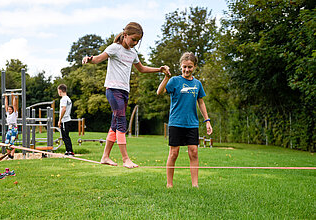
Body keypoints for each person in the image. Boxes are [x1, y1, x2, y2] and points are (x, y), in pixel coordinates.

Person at [82, 22, 170, 168]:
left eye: (138, 41)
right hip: (113, 90)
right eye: (133, 39)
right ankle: (125, 159)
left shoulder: (133, 53)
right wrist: (89, 59)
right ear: (125, 35)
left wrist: (159, 70)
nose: (135, 43)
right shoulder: (114, 48)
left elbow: (141, 69)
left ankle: (105, 157)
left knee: (115, 124)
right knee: (122, 123)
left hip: (124, 91)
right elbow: (97, 59)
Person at [157, 52, 213, 188]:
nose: (187, 70)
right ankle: (169, 184)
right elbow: (159, 92)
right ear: (180, 66)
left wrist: (207, 121)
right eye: (184, 67)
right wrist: (166, 77)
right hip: (176, 122)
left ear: (194, 67)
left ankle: (195, 185)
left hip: (192, 123)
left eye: (190, 67)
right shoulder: (175, 81)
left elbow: (201, 102)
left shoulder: (197, 83)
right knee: (174, 153)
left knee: (193, 152)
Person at [58, 84, 74, 156]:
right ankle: (68, 150)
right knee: (66, 136)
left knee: (65, 136)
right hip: (68, 119)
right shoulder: (68, 98)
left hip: (65, 120)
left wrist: (60, 119)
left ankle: (69, 151)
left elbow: (64, 109)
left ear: (60, 90)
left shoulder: (63, 99)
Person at [4, 95, 18, 159]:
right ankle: (8, 155)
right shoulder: (7, 114)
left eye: (10, 109)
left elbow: (14, 105)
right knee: (6, 142)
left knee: (12, 142)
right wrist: (6, 97)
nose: (9, 110)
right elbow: (6, 105)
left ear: (12, 110)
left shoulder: (14, 113)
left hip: (14, 128)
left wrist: (14, 97)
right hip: (9, 128)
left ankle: (12, 155)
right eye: (9, 109)